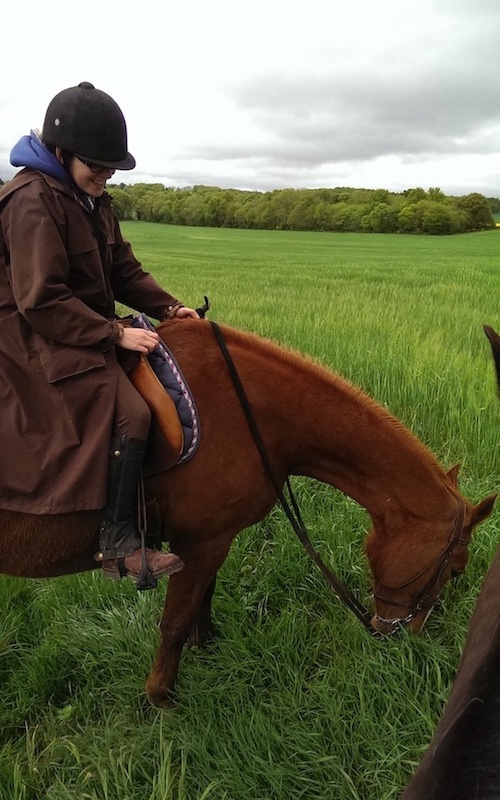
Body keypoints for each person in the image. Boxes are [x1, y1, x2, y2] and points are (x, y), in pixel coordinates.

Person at [0, 81, 200, 587]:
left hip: (71, 321)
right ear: (62, 152)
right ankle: (119, 542)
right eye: (98, 165)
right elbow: (40, 299)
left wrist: (171, 307)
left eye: (112, 167)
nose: (106, 174)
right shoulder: (32, 200)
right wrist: (113, 333)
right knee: (131, 412)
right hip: (29, 331)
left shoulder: (91, 200)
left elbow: (124, 270)